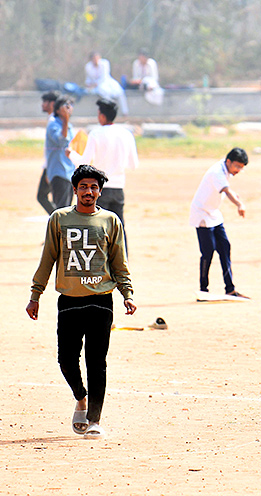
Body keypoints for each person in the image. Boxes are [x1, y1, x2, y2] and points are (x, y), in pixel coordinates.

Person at [26, 164, 136, 440]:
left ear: (100, 192)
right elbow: (48, 258)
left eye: (94, 187)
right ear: (74, 190)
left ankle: (95, 419)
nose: (89, 192)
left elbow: (119, 262)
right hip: (69, 301)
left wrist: (127, 293)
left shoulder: (111, 221)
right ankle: (81, 397)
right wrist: (35, 295)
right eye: (84, 187)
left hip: (101, 300)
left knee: (96, 361)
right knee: (66, 360)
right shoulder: (59, 219)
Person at [190, 148, 250, 299]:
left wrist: (235, 195)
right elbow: (226, 190)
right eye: (237, 166)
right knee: (208, 251)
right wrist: (239, 204)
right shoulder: (217, 172)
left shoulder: (225, 170)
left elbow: (226, 189)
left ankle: (230, 289)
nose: (238, 170)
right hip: (202, 213)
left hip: (214, 214)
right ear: (228, 161)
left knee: (225, 247)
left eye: (241, 168)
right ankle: (203, 290)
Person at [80, 98, 139, 229]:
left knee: (99, 227)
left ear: (101, 115)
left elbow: (84, 162)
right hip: (118, 187)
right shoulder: (126, 134)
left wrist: (70, 154)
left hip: (100, 187)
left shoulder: (95, 133)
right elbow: (133, 164)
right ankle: (122, 250)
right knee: (118, 227)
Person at [45, 95, 77, 210]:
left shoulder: (69, 126)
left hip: (69, 172)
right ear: (58, 109)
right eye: (66, 105)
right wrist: (65, 120)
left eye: (70, 105)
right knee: (61, 209)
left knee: (68, 208)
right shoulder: (54, 124)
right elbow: (61, 140)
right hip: (59, 171)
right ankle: (57, 228)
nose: (69, 108)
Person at [36, 91, 61, 215]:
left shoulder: (54, 121)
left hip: (52, 166)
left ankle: (58, 219)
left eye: (45, 102)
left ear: (52, 104)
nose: (42, 105)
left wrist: (49, 168)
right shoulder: (54, 119)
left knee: (42, 196)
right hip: (53, 165)